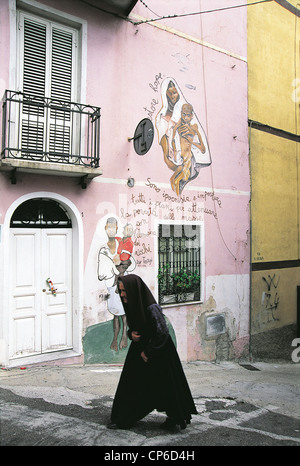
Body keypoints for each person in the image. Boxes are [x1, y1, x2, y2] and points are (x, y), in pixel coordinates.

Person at [107, 274, 197, 431]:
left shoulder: (151, 307)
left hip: (159, 351)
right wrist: (131, 335)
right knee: (131, 383)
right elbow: (135, 327)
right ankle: (124, 418)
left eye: (124, 291)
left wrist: (148, 352)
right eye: (120, 291)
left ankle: (175, 418)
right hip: (141, 349)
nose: (122, 295)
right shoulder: (133, 303)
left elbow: (162, 333)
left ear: (134, 291)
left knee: (166, 385)